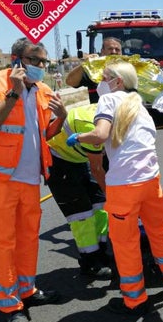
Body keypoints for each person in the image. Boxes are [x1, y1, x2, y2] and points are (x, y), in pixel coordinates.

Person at [66, 60, 163, 316]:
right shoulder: (139, 106)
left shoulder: (109, 102)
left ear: (118, 81)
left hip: (125, 184)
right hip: (151, 181)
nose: (101, 82)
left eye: (105, 76)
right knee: (158, 231)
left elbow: (99, 135)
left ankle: (134, 300)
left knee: (125, 242)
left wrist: (79, 137)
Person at [0, 38, 67, 322]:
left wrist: (61, 118)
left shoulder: (43, 90)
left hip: (30, 178)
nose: (40, 66)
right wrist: (13, 94)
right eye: (34, 60)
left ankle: (27, 290)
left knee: (28, 239)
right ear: (16, 60)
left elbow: (44, 135)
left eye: (44, 62)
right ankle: (10, 303)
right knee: (2, 243)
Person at [46, 103, 112, 279]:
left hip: (79, 157)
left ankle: (102, 252)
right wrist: (114, 196)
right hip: (59, 161)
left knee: (99, 203)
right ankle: (89, 261)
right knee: (81, 213)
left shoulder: (110, 110)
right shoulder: (90, 126)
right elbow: (98, 168)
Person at [66, 37, 122, 103]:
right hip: (100, 112)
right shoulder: (93, 70)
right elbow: (70, 82)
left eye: (117, 49)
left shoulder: (130, 69)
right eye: (110, 49)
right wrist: (84, 64)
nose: (114, 52)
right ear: (102, 51)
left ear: (121, 52)